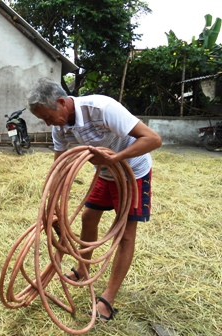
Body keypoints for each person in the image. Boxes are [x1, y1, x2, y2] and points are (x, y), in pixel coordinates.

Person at [27, 77, 162, 322]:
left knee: (125, 234)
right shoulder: (60, 127)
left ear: (61, 102)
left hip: (133, 171)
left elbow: (153, 139)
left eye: (48, 117)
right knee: (89, 217)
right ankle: (83, 267)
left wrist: (115, 158)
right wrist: (52, 209)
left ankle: (108, 300)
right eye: (43, 120)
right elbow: (59, 167)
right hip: (106, 171)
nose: (48, 125)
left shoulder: (102, 109)